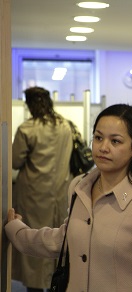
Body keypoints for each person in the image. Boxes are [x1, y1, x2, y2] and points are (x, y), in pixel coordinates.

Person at [6, 104, 132, 291]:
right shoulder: (80, 188)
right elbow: (63, 239)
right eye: (98, 138)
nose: (103, 147)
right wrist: (15, 229)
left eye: (115, 141)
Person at [11, 86, 73, 292]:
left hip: (34, 195)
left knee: (33, 242)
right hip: (60, 194)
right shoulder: (65, 126)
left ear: (29, 104)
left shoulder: (28, 129)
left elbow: (15, 160)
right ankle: (55, 284)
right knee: (58, 242)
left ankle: (35, 288)